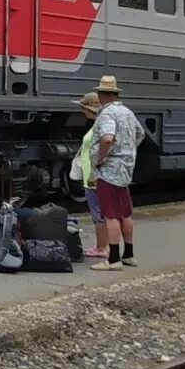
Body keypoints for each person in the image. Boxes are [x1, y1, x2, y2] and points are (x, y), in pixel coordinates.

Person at [86, 75, 142, 271]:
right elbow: (140, 133)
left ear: (101, 95)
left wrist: (101, 158)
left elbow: (107, 138)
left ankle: (114, 260)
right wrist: (129, 150)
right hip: (126, 169)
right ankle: (129, 255)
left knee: (110, 216)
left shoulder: (107, 114)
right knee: (125, 214)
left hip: (109, 172)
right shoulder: (127, 112)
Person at [71, 91, 110, 259]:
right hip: (92, 174)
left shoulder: (100, 126)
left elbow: (106, 144)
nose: (82, 112)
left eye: (84, 108)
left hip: (94, 175)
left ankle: (102, 247)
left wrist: (99, 161)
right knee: (99, 211)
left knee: (98, 212)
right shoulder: (98, 124)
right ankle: (102, 246)